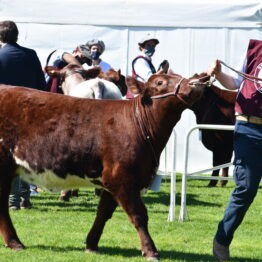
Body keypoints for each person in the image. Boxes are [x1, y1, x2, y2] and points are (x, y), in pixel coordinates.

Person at [207, 39, 262, 261]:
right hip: (249, 128)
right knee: (246, 188)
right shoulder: (255, 50)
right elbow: (234, 82)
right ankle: (222, 239)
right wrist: (218, 73)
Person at [0, 20, 46, 210]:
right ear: (17, 35)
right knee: (24, 155)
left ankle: (13, 199)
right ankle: (25, 198)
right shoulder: (31, 54)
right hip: (30, 110)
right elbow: (41, 85)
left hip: (5, 110)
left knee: (8, 156)